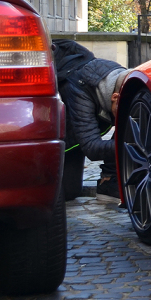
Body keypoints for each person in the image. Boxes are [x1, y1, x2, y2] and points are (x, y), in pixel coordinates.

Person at [52, 40, 129, 200]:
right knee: (68, 192)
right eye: (122, 108)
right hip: (64, 141)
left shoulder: (119, 79)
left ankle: (108, 181)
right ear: (115, 97)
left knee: (128, 126)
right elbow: (92, 147)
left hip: (77, 134)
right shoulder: (81, 92)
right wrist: (136, 145)